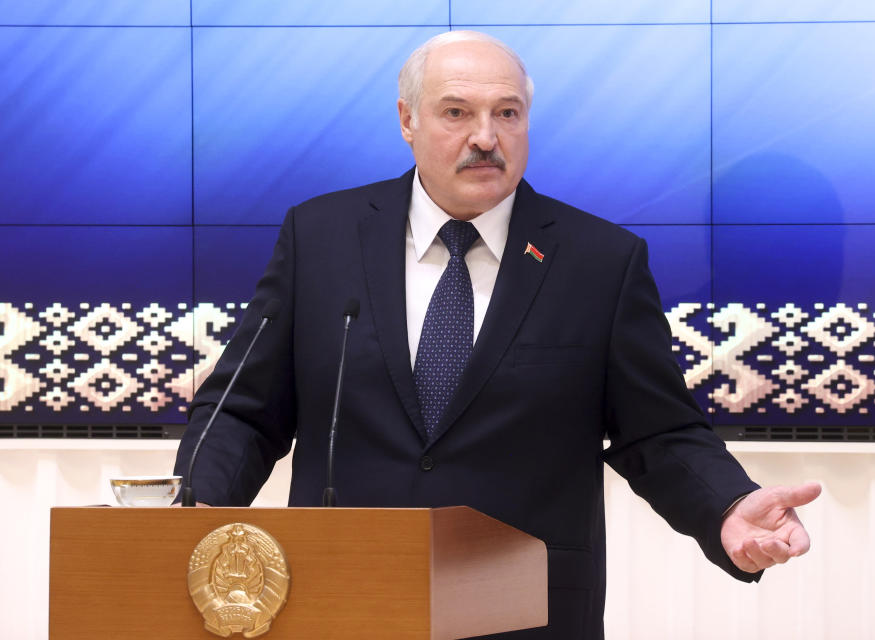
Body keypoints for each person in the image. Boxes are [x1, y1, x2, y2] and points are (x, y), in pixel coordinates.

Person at [174, 30, 820, 639]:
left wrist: (727, 507)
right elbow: (243, 410)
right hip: (339, 598)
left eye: (507, 114)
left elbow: (658, 431)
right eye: (456, 113)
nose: (486, 137)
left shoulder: (600, 260)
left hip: (526, 610)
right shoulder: (321, 237)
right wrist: (194, 510)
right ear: (407, 120)